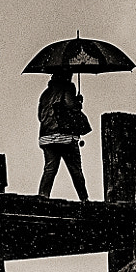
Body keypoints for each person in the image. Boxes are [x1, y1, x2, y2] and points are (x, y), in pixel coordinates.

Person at [36, 69, 91, 201]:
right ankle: (84, 199)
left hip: (46, 137)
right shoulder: (68, 88)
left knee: (50, 169)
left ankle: (43, 196)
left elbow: (40, 116)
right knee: (75, 169)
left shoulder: (45, 94)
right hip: (66, 136)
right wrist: (78, 102)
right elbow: (71, 106)